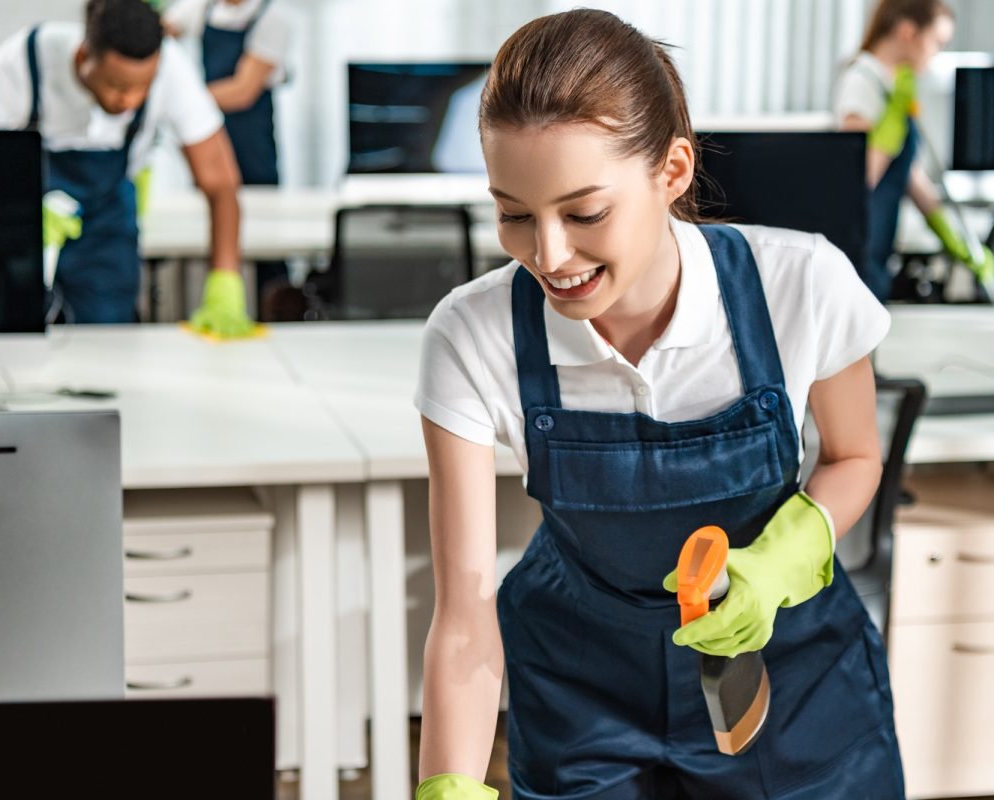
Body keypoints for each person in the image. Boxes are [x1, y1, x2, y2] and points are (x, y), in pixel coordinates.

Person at [413, 9, 904, 800]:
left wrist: (784, 556)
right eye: (513, 214)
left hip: (791, 690)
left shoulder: (800, 284)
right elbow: (465, 616)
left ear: (672, 171)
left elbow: (855, 457)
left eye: (584, 212)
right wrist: (448, 785)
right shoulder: (472, 336)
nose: (549, 254)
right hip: (582, 699)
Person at [0, 0, 252, 335]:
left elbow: (220, 183)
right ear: (84, 58)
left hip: (108, 230)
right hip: (22, 235)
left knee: (107, 341)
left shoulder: (171, 67)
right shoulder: (25, 62)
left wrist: (225, 283)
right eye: (117, 87)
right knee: (12, 334)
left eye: (142, 89)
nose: (130, 100)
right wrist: (16, 213)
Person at [834, 0, 993, 302]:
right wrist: (890, 127)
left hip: (876, 254)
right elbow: (856, 180)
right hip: (857, 251)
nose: (936, 55)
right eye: (937, 42)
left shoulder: (892, 86)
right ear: (908, 32)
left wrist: (961, 245)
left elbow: (914, 182)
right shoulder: (863, 81)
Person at [164, 0, 291, 312]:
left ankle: (273, 314)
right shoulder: (201, 8)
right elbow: (156, 35)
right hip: (210, 140)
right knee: (211, 227)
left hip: (253, 147)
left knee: (264, 241)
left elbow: (243, 91)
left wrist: (182, 99)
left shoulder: (272, 18)